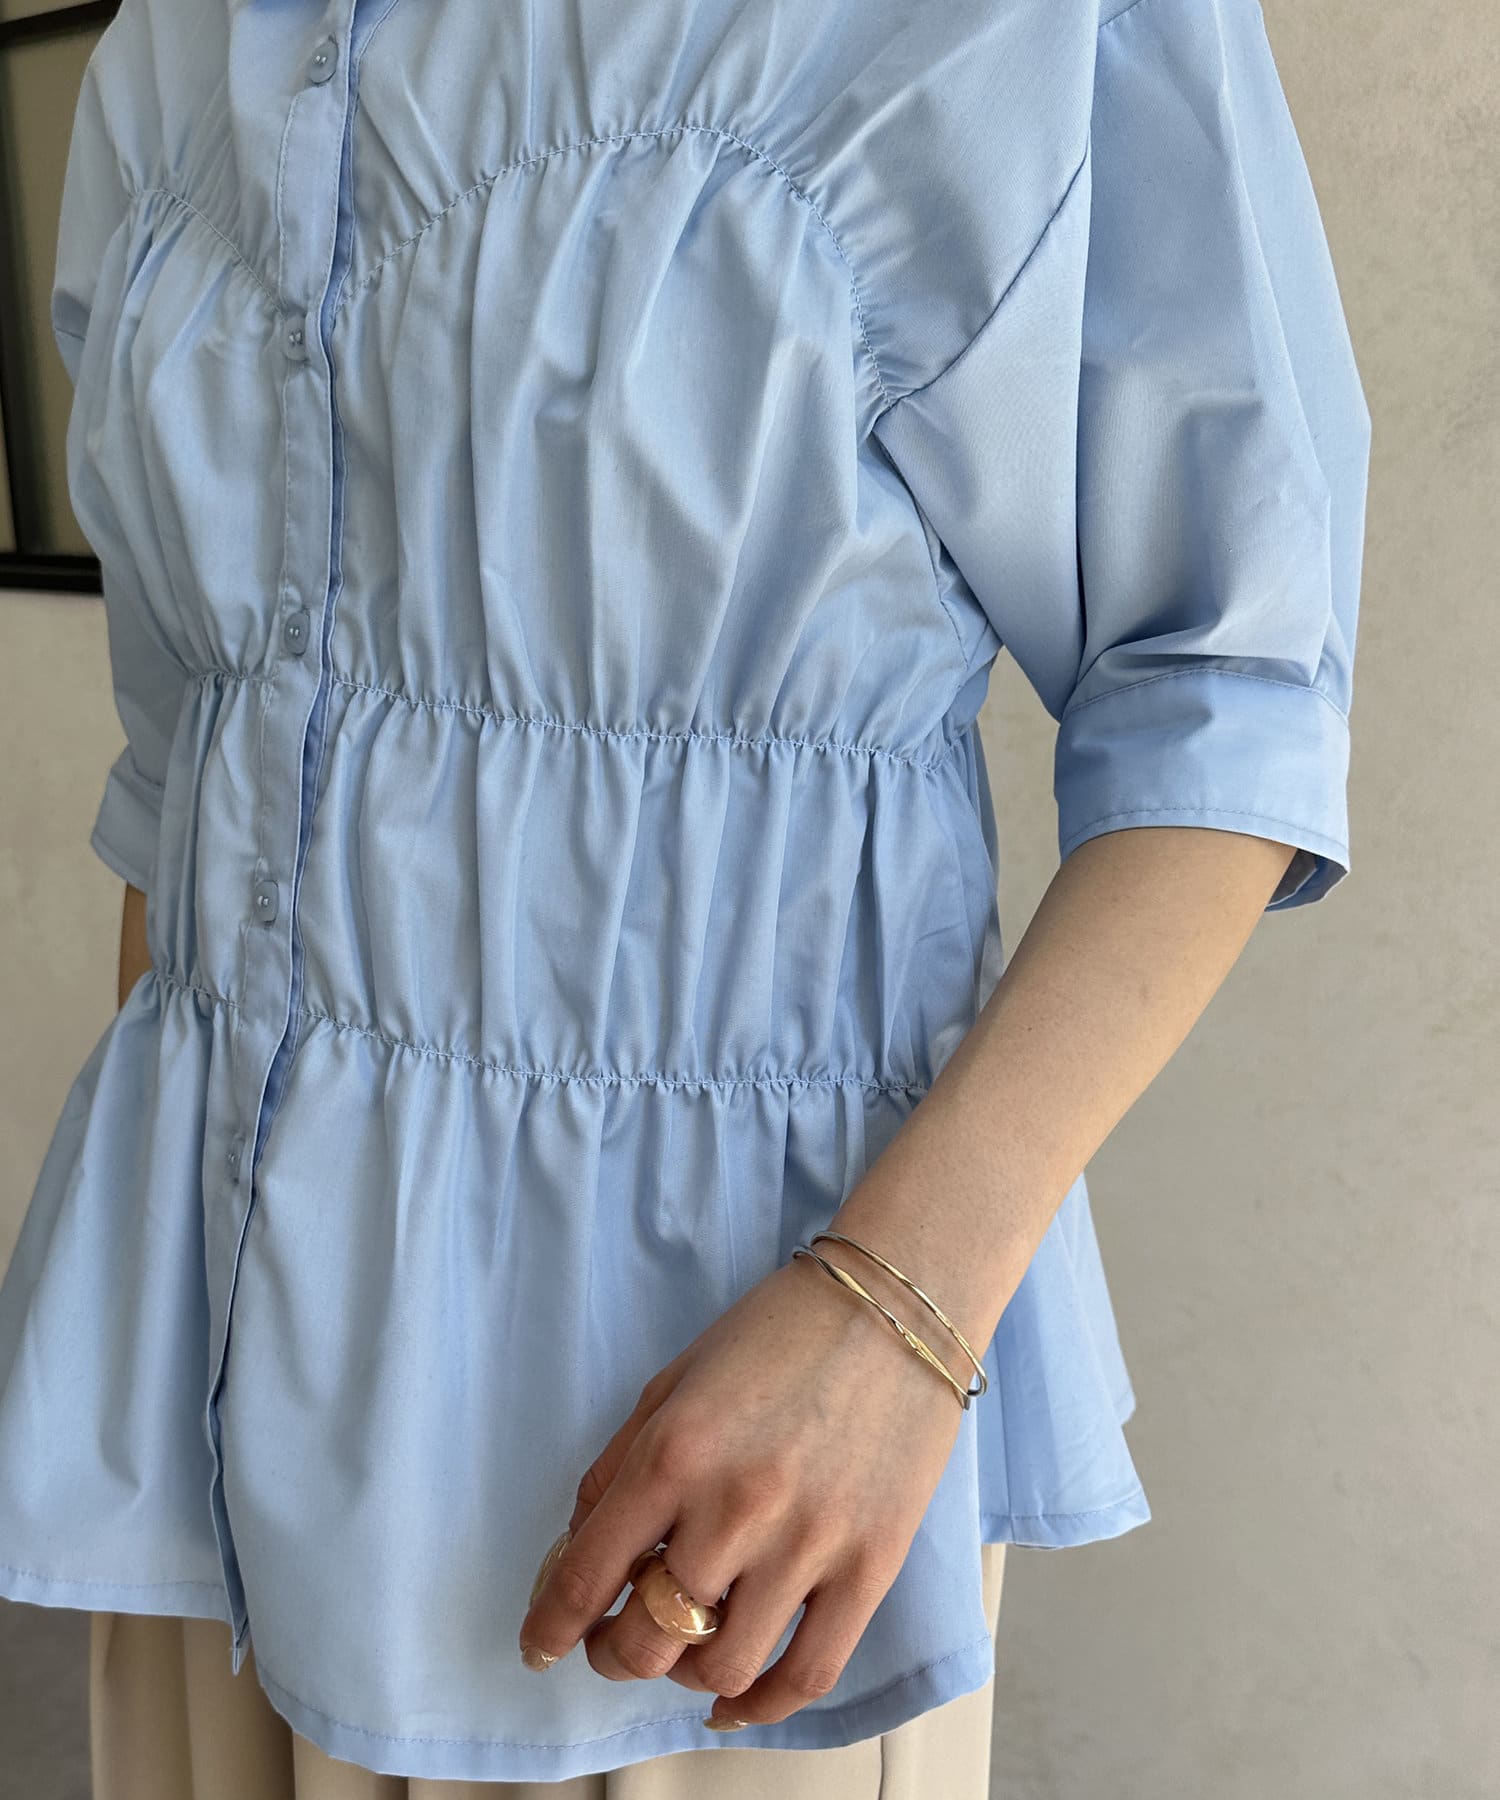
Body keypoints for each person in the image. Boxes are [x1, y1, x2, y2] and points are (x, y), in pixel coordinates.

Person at [0, 0, 1371, 1793]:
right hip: (213, 1432)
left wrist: (896, 1322)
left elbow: (1227, 695)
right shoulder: (168, 48)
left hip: (711, 1443)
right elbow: (190, 759)